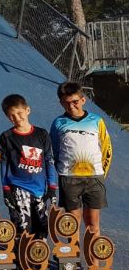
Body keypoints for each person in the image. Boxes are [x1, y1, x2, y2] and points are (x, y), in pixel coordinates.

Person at [50, 82, 112, 234]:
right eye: (66, 103)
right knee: (72, 224)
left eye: (75, 102)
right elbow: (55, 150)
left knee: (93, 225)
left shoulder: (97, 121)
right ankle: (72, 257)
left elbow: (107, 149)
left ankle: (95, 258)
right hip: (69, 179)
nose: (71, 106)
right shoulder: (58, 123)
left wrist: (101, 173)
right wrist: (63, 172)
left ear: (83, 100)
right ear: (61, 103)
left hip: (94, 178)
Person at [0, 94, 57, 238]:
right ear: (7, 117)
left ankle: (38, 258)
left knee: (42, 227)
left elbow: (49, 160)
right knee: (23, 227)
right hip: (18, 188)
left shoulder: (42, 134)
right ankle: (21, 257)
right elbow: (4, 164)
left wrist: (52, 186)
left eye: (19, 113)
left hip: (40, 190)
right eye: (12, 116)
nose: (17, 118)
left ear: (27, 110)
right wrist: (6, 189)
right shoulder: (6, 137)